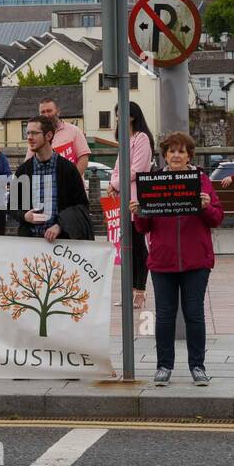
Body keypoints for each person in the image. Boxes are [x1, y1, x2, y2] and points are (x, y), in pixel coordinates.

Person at [130, 131, 224, 386]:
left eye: (181, 151)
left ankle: (197, 366)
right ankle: (164, 366)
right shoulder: (153, 182)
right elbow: (143, 227)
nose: (176, 155)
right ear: (165, 155)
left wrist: (206, 207)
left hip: (196, 260)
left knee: (194, 314)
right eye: (171, 151)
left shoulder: (201, 180)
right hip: (163, 260)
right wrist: (138, 213)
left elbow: (217, 218)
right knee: (165, 315)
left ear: (189, 155)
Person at [107, 101, 156, 310]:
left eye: (122, 114)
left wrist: (115, 183)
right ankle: (128, 292)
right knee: (127, 248)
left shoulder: (142, 138)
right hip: (124, 199)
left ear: (133, 116)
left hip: (137, 199)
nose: (118, 118)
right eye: (117, 114)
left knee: (138, 246)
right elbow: (118, 168)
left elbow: (137, 168)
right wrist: (113, 183)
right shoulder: (125, 141)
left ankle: (140, 291)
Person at [11, 116, 93, 241]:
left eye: (34, 133)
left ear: (48, 136)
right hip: (30, 243)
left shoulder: (68, 169)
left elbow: (81, 206)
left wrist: (61, 225)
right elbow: (11, 206)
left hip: (61, 245)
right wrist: (24, 216)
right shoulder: (23, 170)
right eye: (27, 133)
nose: (29, 137)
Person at [24, 95, 90, 178]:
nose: (46, 115)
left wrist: (72, 180)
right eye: (43, 112)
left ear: (58, 111)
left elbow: (83, 159)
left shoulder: (74, 131)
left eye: (49, 111)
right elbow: (28, 162)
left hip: (71, 187)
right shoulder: (38, 137)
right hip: (48, 186)